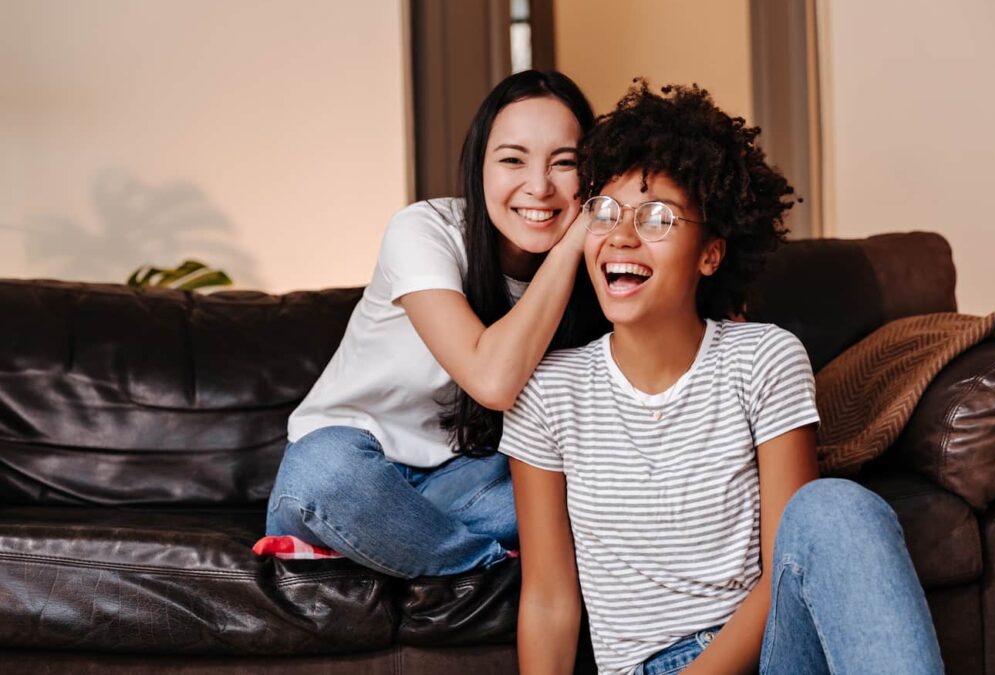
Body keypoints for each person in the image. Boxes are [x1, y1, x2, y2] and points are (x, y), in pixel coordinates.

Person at [501, 81, 944, 675]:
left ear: (710, 254)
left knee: (835, 506)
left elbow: (787, 564)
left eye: (657, 217)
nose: (622, 236)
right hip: (645, 665)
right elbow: (549, 600)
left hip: (773, 653)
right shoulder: (548, 392)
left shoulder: (763, 359)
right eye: (605, 212)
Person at [264, 70, 607, 579]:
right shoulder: (424, 230)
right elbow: (491, 380)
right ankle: (491, 569)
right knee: (323, 474)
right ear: (480, 167)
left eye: (565, 164)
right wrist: (573, 241)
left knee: (579, 493)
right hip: (352, 463)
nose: (539, 186)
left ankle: (393, 545)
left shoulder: (601, 267)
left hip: (468, 480)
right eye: (513, 159)